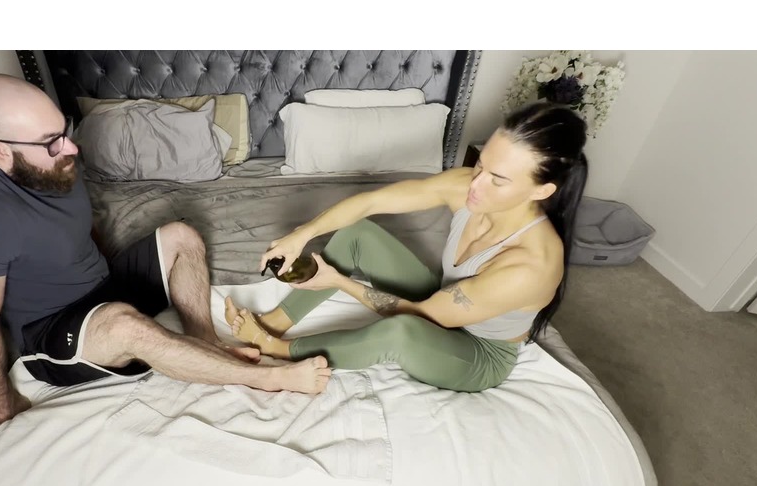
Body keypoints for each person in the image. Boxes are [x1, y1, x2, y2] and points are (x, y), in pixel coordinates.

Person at [0, 74, 330, 424]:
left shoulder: (54, 164)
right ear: (1, 150)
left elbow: (78, 228)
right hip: (51, 331)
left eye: (64, 130)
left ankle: (207, 345)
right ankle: (265, 379)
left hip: (102, 288)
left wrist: (116, 273)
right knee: (124, 324)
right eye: (51, 142)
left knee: (182, 235)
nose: (70, 148)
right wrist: (5, 407)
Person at [225, 101, 588, 393]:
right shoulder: (467, 185)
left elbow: (417, 316)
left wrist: (338, 281)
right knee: (358, 233)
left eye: (498, 180)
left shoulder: (530, 266)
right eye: (480, 164)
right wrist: (302, 234)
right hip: (443, 302)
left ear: (542, 190)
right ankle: (275, 321)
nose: (476, 184)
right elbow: (371, 202)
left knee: (400, 333)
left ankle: (277, 348)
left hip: (478, 353)